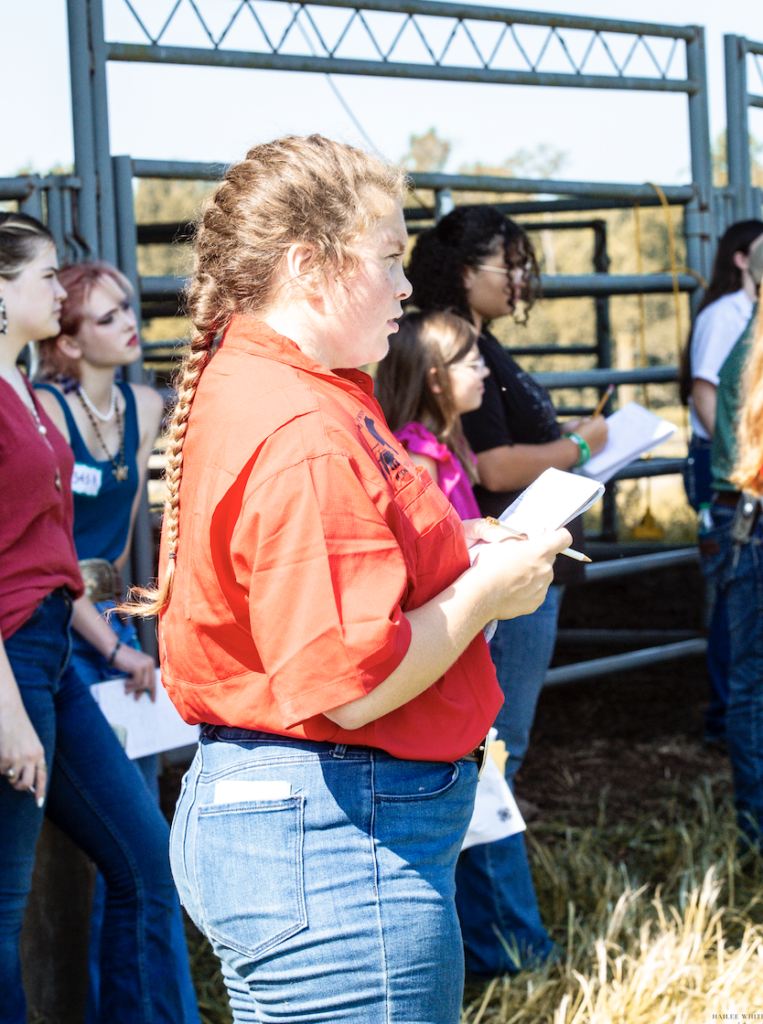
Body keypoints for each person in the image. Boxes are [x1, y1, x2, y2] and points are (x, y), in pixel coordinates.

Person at [128, 135, 571, 1023]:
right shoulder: (303, 428)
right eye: (387, 260)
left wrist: (454, 550)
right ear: (307, 265)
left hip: (311, 827)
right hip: (339, 839)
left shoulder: (280, 386)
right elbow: (353, 684)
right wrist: (486, 592)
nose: (407, 287)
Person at [405, 204, 607, 977]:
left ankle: (494, 944)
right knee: (490, 758)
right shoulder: (441, 348)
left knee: (490, 757)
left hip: (508, 579)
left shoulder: (472, 346)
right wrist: (588, 445)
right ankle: (510, 952)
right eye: (505, 261)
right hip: (493, 589)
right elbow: (492, 470)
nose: (520, 277)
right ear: (464, 271)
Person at [0, 212, 188, 1023]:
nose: (57, 285)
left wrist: (115, 649)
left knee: (147, 862)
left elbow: (49, 555)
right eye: (44, 275)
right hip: (11, 664)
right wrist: (7, 709)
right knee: (4, 908)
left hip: (52, 649)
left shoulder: (21, 389)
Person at [678, 220, 763, 745]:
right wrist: (740, 457)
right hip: (731, 463)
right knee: (739, 606)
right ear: (741, 259)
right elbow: (705, 392)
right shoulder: (724, 316)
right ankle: (723, 721)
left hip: (741, 460)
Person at [699, 238, 763, 850]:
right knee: (752, 683)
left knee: (751, 681)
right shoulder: (754, 352)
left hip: (744, 526)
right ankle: (756, 828)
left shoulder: (747, 345)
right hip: (752, 524)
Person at [375, 309, 488, 521]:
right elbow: (429, 544)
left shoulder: (442, 442)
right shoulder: (418, 455)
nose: (485, 372)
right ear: (435, 381)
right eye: (473, 365)